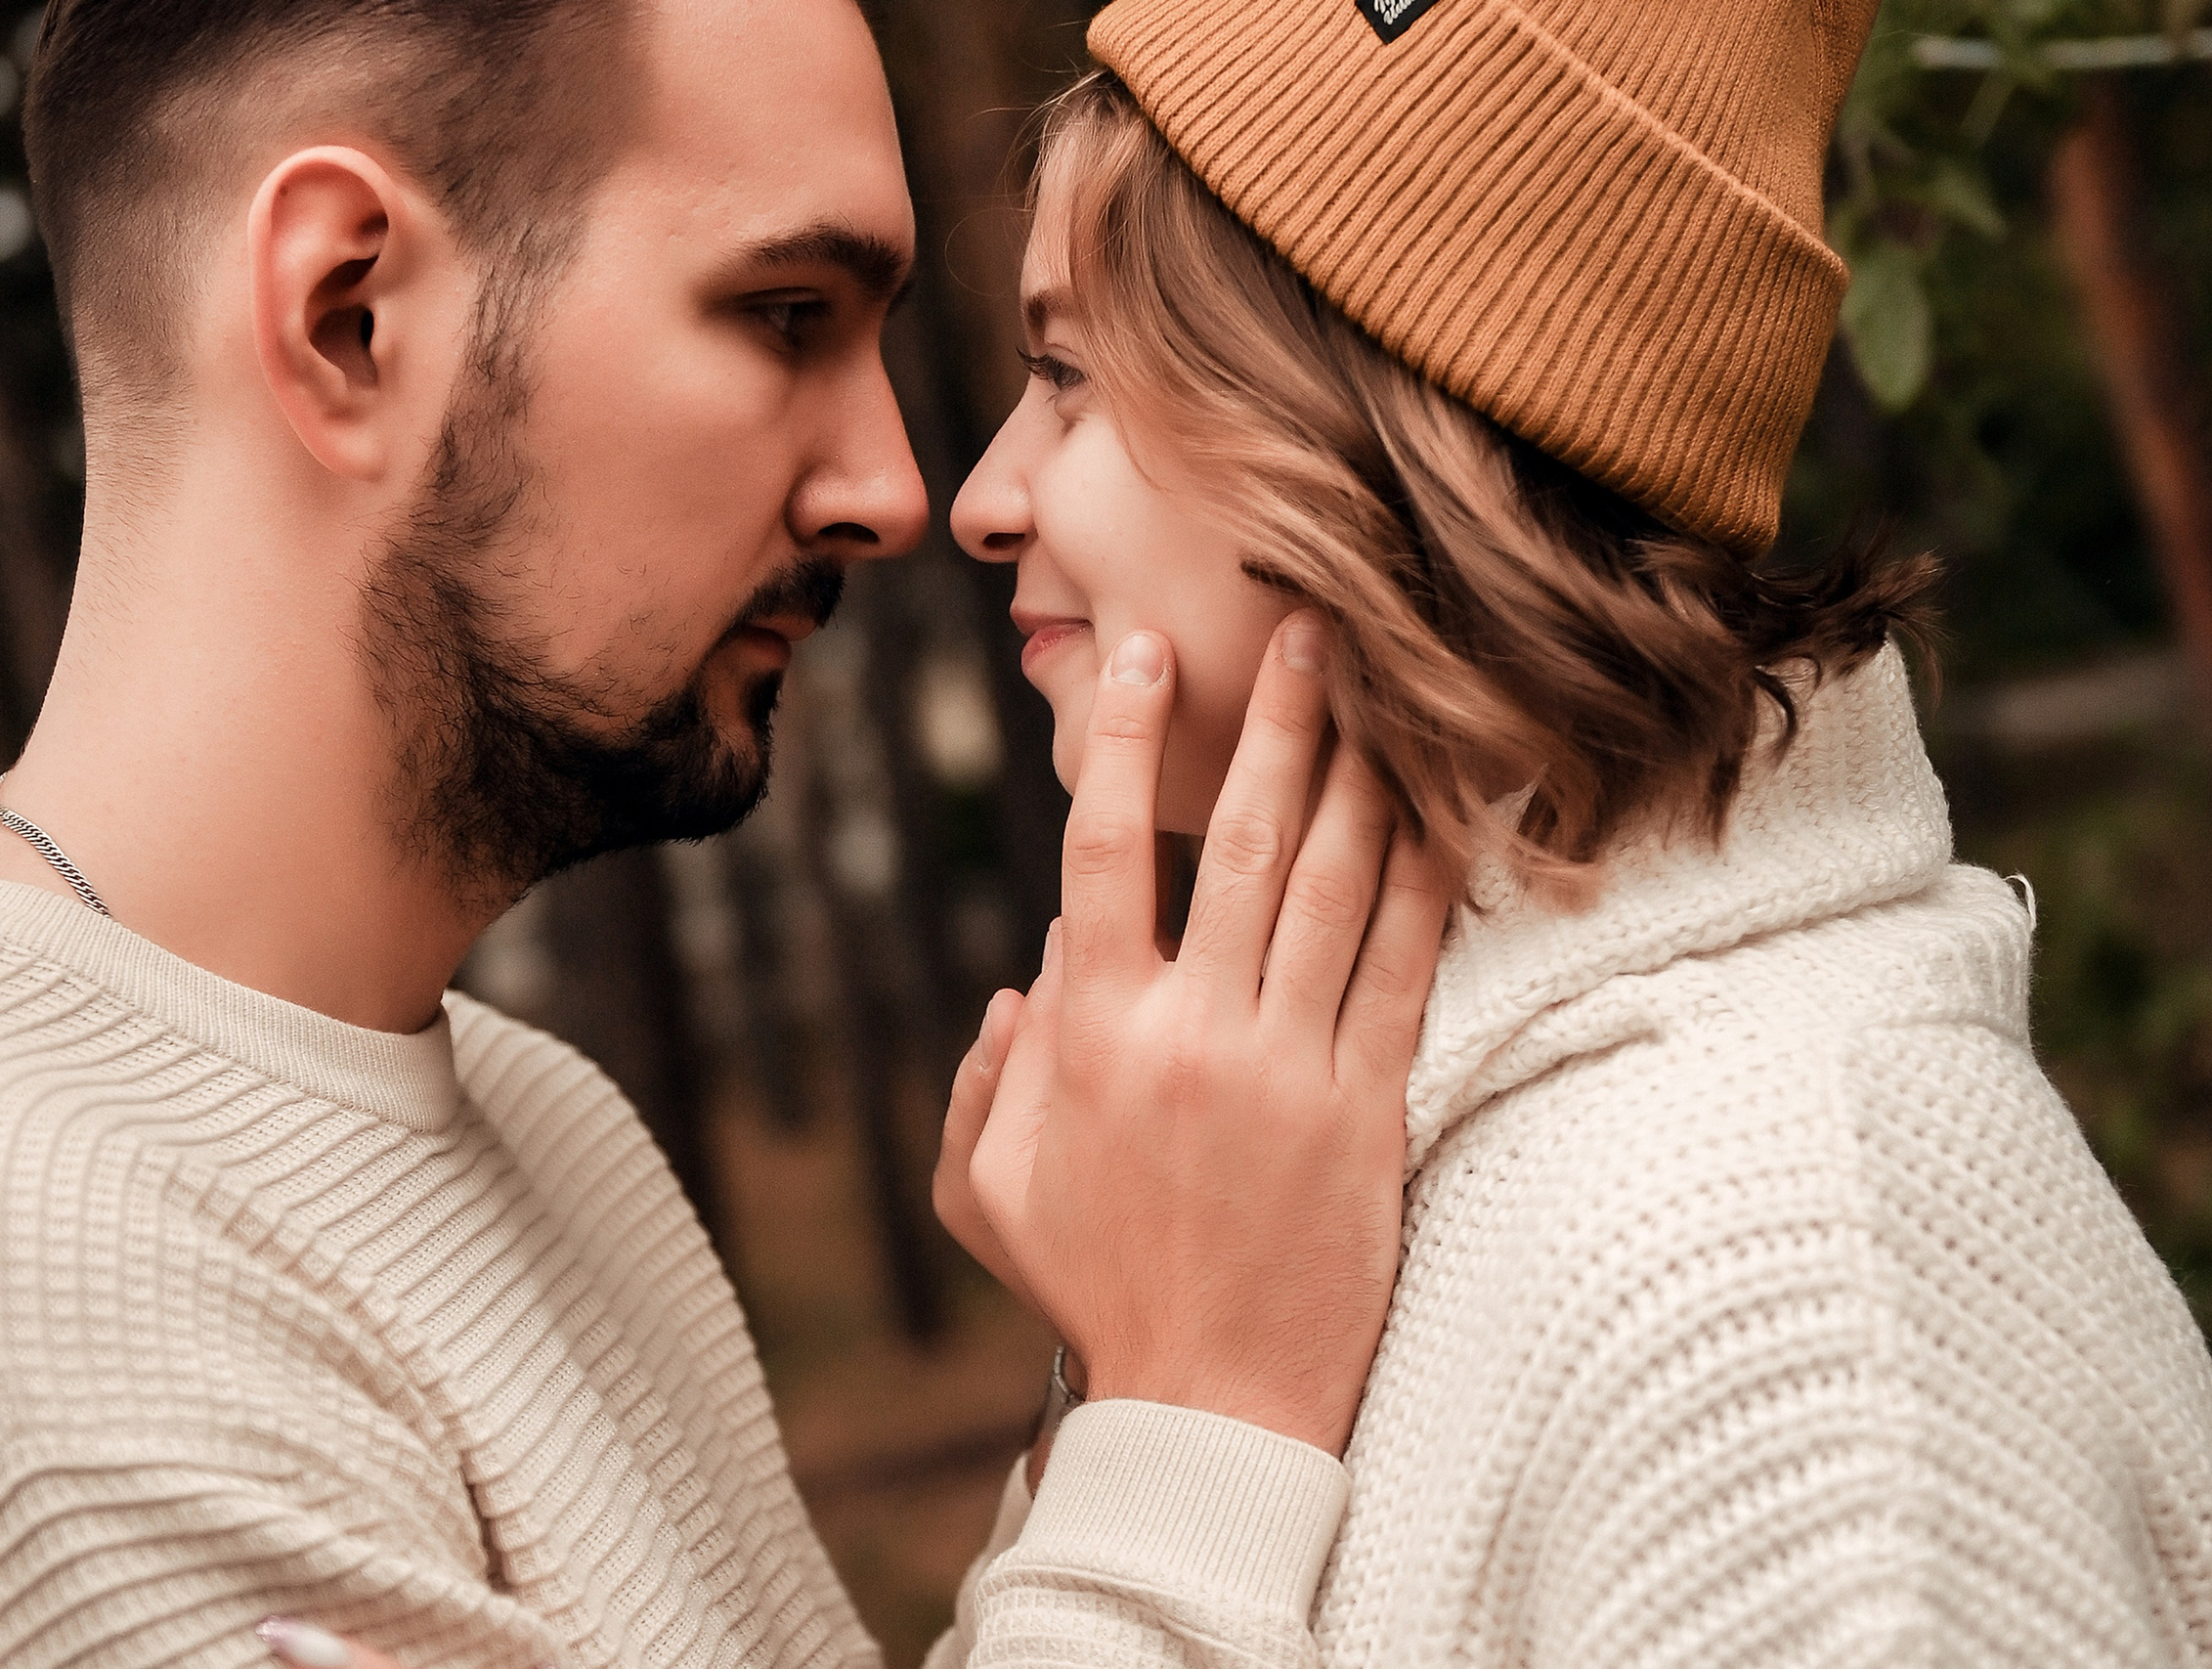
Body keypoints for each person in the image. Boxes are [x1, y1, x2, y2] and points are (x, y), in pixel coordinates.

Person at [0, 0, 1453, 1665]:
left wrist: (1125, 1382)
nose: (896, 490)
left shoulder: (536, 1117)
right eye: (784, 314)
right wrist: (1192, 1417)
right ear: (348, 315)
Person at [933, 1, 2212, 1665]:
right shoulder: (1349, 1160)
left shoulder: (1789, 1344)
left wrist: (1170, 1420)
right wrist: (1129, 1384)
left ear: (1376, 424)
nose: (979, 499)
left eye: (1065, 376)